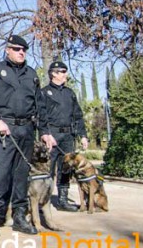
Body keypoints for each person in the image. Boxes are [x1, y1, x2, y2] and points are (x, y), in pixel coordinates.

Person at [0, 35, 56, 236]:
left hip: (27, 131)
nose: (21, 52)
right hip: (5, 129)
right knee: (1, 175)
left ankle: (20, 216)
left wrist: (45, 132)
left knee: (22, 176)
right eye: (16, 49)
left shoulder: (31, 74)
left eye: (24, 50)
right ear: (8, 50)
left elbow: (40, 105)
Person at [41, 60, 88, 212]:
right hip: (52, 135)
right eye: (62, 71)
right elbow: (40, 116)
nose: (65, 74)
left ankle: (62, 200)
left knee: (65, 168)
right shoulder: (44, 92)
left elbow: (78, 115)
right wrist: (46, 134)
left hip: (68, 135)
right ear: (53, 74)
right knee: (48, 169)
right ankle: (43, 201)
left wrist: (82, 135)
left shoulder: (69, 93)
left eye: (65, 71)